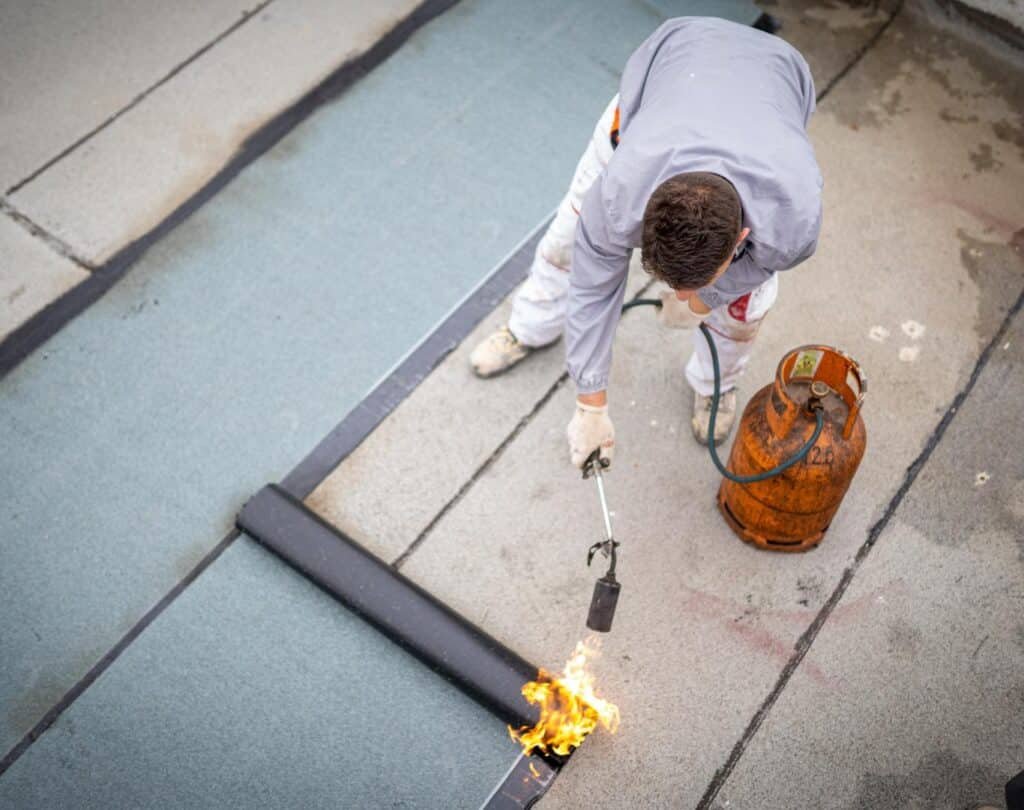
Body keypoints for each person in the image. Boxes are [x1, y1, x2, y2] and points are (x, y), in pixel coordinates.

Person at [469, 16, 823, 469]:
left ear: (743, 237)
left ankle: (716, 385)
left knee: (744, 309)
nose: (676, 296)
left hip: (778, 77)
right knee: (566, 245)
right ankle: (530, 325)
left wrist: (707, 299)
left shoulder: (792, 216)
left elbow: (759, 267)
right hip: (679, 59)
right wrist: (590, 405)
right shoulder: (619, 193)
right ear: (646, 216)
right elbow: (595, 287)